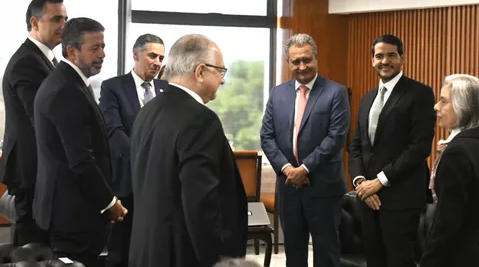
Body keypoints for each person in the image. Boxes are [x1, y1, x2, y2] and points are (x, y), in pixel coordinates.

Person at [129, 34, 247, 267]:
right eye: (221, 71)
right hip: (184, 255)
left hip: (146, 250)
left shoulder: (147, 111)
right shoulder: (200, 120)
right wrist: (219, 261)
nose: (223, 81)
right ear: (200, 71)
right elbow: (202, 204)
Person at [33, 18, 128, 266]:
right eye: (94, 48)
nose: (102, 54)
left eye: (103, 47)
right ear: (72, 51)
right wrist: (109, 203)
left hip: (70, 211)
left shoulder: (70, 82)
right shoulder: (66, 89)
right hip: (71, 216)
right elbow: (81, 161)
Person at [260, 33, 350, 267]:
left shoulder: (335, 92)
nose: (302, 66)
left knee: (326, 254)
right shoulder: (277, 93)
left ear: (316, 59)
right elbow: (267, 136)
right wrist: (289, 169)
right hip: (289, 188)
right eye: (296, 61)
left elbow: (335, 137)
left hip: (324, 188)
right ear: (288, 63)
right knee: (294, 253)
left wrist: (305, 169)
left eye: (307, 60)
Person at [348, 34, 436, 267]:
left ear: (402, 58)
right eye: (379, 56)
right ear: (372, 60)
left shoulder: (420, 94)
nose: (384, 61)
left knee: (399, 262)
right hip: (367, 197)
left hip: (400, 197)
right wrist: (360, 183)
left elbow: (419, 148)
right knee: (374, 261)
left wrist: (379, 181)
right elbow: (356, 146)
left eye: (391, 55)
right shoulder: (367, 99)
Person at [419, 74, 479, 267]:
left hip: (454, 256)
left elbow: (446, 222)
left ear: (463, 107)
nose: (436, 106)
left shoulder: (456, 152)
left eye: (443, 101)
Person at [0, 0, 67, 246]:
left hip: (40, 166)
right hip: (31, 169)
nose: (64, 25)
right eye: (57, 19)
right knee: (31, 243)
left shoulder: (46, 59)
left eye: (65, 19)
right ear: (35, 22)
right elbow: (41, 117)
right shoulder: (27, 62)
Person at [99, 34, 167, 267]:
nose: (157, 62)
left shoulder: (167, 90)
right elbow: (114, 132)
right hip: (128, 182)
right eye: (152, 55)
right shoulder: (113, 87)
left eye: (161, 57)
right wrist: (144, 162)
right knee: (122, 249)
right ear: (135, 55)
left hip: (161, 184)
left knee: (155, 249)